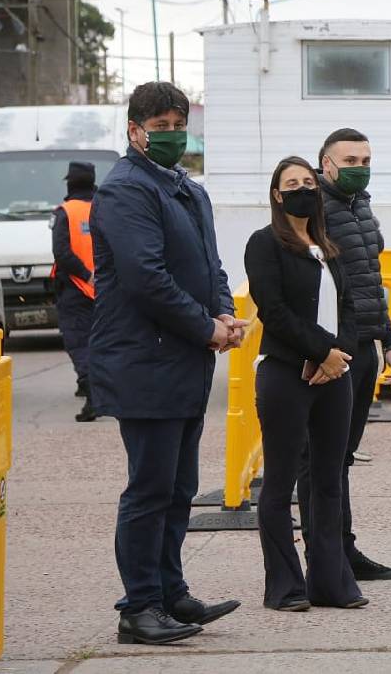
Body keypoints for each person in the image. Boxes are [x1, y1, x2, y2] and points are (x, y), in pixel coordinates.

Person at [89, 82, 247, 645]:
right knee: (150, 488)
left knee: (181, 485)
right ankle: (140, 607)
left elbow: (210, 263)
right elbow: (145, 278)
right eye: (161, 126)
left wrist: (224, 313)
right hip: (144, 361)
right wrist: (205, 327)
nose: (173, 135)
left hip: (184, 359)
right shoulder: (126, 191)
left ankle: (172, 592)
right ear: (134, 131)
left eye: (180, 124)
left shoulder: (187, 189)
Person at [245, 156, 367, 611]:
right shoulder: (264, 243)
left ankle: (331, 583)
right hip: (285, 375)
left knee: (329, 480)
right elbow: (273, 310)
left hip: (335, 376)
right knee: (279, 483)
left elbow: (350, 308)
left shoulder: (326, 245)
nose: (302, 189)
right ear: (278, 196)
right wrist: (321, 352)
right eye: (291, 184)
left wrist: (340, 356)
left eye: (308, 182)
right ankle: (285, 586)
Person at [296, 128, 391, 582]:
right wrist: (320, 349)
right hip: (329, 349)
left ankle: (344, 549)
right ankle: (324, 558)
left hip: (363, 346)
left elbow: (369, 283)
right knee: (318, 458)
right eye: (351, 160)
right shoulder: (312, 208)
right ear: (326, 164)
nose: (360, 167)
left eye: (366, 160)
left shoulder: (360, 205)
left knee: (341, 457)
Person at [51, 161, 98, 422]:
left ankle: (93, 395)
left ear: (70, 183)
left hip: (75, 288)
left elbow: (62, 253)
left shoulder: (66, 212)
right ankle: (91, 388)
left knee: (78, 341)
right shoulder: (102, 208)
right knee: (98, 341)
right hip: (103, 289)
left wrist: (85, 275)